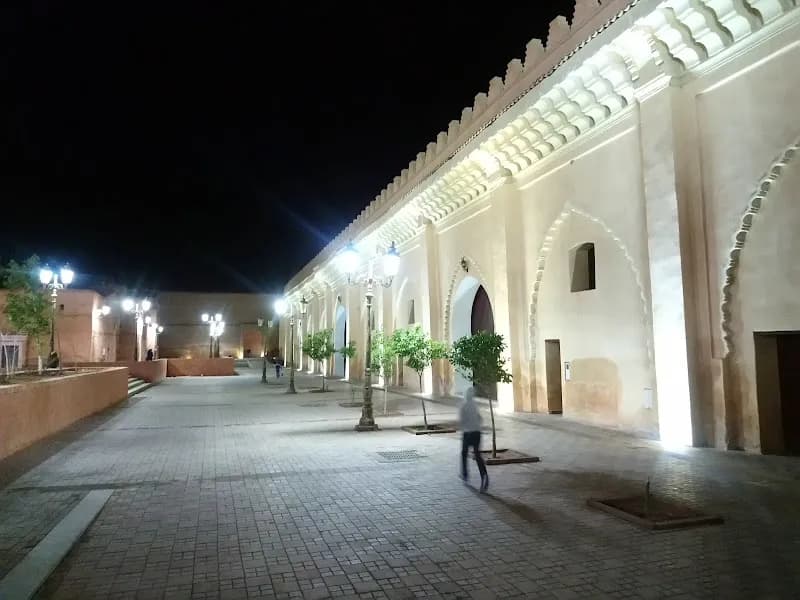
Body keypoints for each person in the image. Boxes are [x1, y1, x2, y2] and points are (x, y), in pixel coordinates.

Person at [459, 386, 488, 492]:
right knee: (477, 455)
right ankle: (484, 475)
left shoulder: (464, 406)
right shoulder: (475, 405)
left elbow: (462, 421)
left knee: (464, 453)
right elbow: (480, 418)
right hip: (477, 432)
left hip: (468, 433)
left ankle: (465, 474)